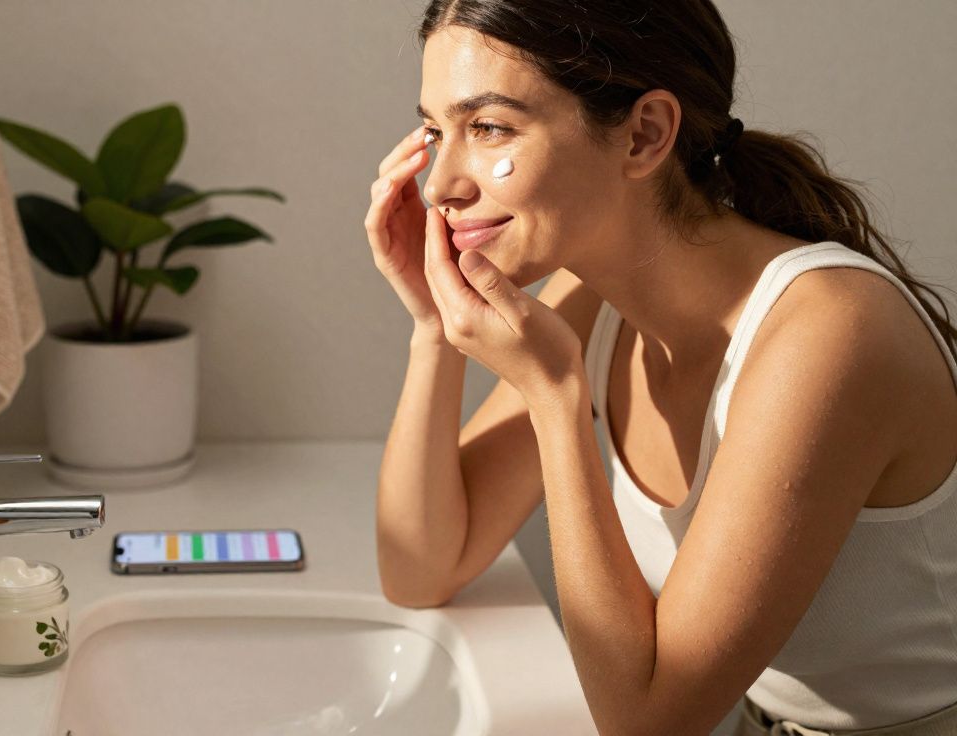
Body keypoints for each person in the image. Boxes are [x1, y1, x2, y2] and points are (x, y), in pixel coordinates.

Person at [364, 2, 957, 734]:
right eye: (434, 131)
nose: (438, 186)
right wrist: (433, 328)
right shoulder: (593, 300)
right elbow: (422, 569)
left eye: (489, 128)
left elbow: (647, 724)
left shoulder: (827, 335)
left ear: (644, 134)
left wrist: (554, 397)